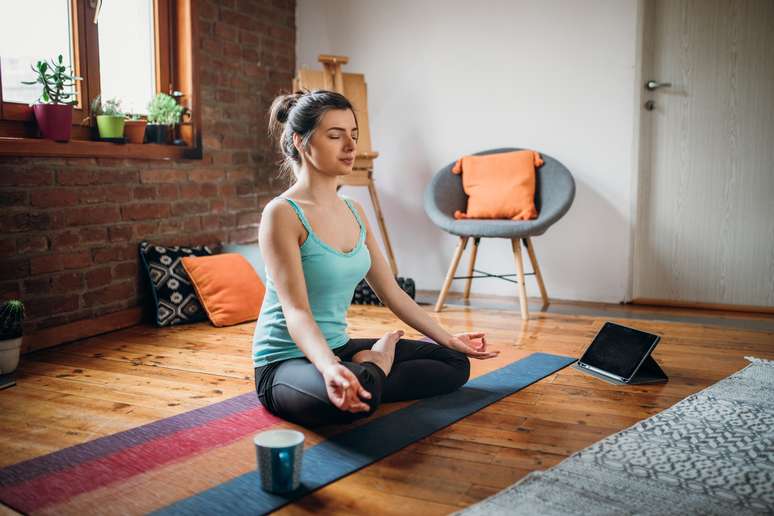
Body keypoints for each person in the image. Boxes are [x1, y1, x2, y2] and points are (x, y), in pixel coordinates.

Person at [253, 89, 499, 427]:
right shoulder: (282, 214)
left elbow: (392, 292)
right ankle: (373, 368)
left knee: (454, 363)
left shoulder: (354, 211)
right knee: (353, 397)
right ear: (301, 142)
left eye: (353, 135)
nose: (351, 146)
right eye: (335, 135)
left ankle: (364, 374)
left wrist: (449, 337)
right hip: (285, 362)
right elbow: (296, 312)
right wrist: (330, 368)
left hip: (338, 348)